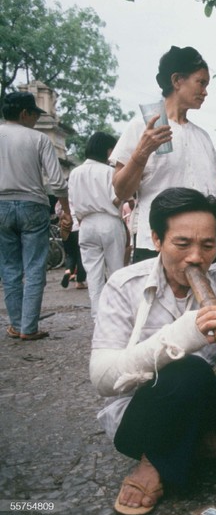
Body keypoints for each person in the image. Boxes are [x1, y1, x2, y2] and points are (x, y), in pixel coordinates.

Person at [89, 187, 216, 515]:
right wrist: (182, 336)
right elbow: (102, 379)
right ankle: (156, 460)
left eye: (207, 245)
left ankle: (212, 441)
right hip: (145, 422)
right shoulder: (124, 286)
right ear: (156, 239)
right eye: (182, 244)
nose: (196, 257)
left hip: (202, 405)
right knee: (189, 370)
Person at [109, 45, 216, 263]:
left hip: (204, 247)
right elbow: (121, 191)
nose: (205, 92)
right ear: (177, 81)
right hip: (157, 245)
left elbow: (215, 196)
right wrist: (140, 154)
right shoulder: (142, 128)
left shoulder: (202, 137)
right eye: (201, 83)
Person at [0, 91, 72, 341]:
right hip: (32, 206)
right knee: (34, 267)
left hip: (0, 206)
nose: (35, 120)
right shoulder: (38, 139)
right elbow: (57, 181)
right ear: (24, 113)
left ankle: (16, 324)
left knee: (9, 268)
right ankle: (28, 328)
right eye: (33, 114)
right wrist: (66, 209)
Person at [68, 132, 126, 320]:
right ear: (109, 150)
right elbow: (117, 200)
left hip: (86, 224)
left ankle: (97, 317)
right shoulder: (110, 172)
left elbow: (72, 203)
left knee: (94, 276)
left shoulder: (75, 173)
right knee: (116, 271)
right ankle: (118, 316)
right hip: (109, 222)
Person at [56, 201, 87, 290]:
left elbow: (57, 210)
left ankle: (68, 271)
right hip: (78, 227)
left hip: (66, 229)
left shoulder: (63, 197)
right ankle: (79, 281)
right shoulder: (77, 193)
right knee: (80, 255)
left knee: (70, 254)